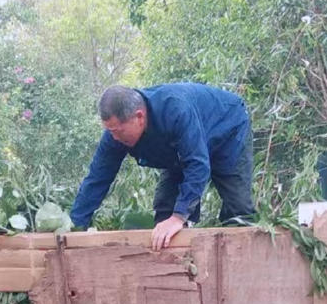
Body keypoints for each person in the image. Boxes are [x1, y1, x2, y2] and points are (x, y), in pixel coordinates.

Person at [70, 83, 255, 250]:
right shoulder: (115, 134)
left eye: (118, 131)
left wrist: (180, 217)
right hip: (179, 151)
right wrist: (75, 226)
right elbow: (97, 178)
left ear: (139, 117)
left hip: (227, 129)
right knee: (165, 210)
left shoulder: (176, 109)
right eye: (110, 132)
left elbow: (198, 164)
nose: (115, 138)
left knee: (238, 210)